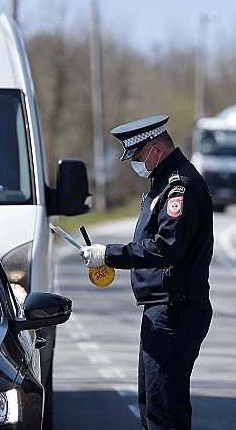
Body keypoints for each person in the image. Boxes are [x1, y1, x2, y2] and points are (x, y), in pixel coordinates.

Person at [81, 115, 214, 430]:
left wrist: (110, 254)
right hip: (161, 308)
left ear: (156, 150)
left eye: (138, 157)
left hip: (175, 310)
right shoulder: (162, 184)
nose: (136, 164)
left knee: (164, 411)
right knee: (152, 405)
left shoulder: (180, 186)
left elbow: (167, 247)